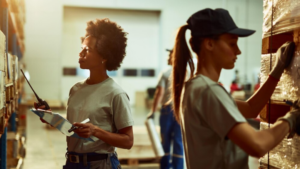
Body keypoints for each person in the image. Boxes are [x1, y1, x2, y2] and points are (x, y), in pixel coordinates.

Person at [170, 8, 300, 169]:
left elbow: (251, 109)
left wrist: (277, 70)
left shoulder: (193, 87)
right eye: (232, 44)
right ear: (209, 44)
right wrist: (292, 118)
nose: (238, 51)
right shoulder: (208, 91)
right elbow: (257, 145)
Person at [35, 18, 134, 169]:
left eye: (87, 50)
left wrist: (96, 131)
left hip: (100, 164)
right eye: (81, 48)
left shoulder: (116, 94)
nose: (80, 53)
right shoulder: (76, 89)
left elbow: (128, 141)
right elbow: (72, 130)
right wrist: (50, 117)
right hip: (72, 163)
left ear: (104, 56)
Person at [147, 49, 184, 169]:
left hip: (167, 110)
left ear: (175, 57)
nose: (168, 58)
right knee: (179, 141)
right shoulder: (186, 72)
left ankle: (165, 167)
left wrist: (152, 111)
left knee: (166, 141)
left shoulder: (165, 73)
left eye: (170, 55)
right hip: (181, 111)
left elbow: (159, 93)